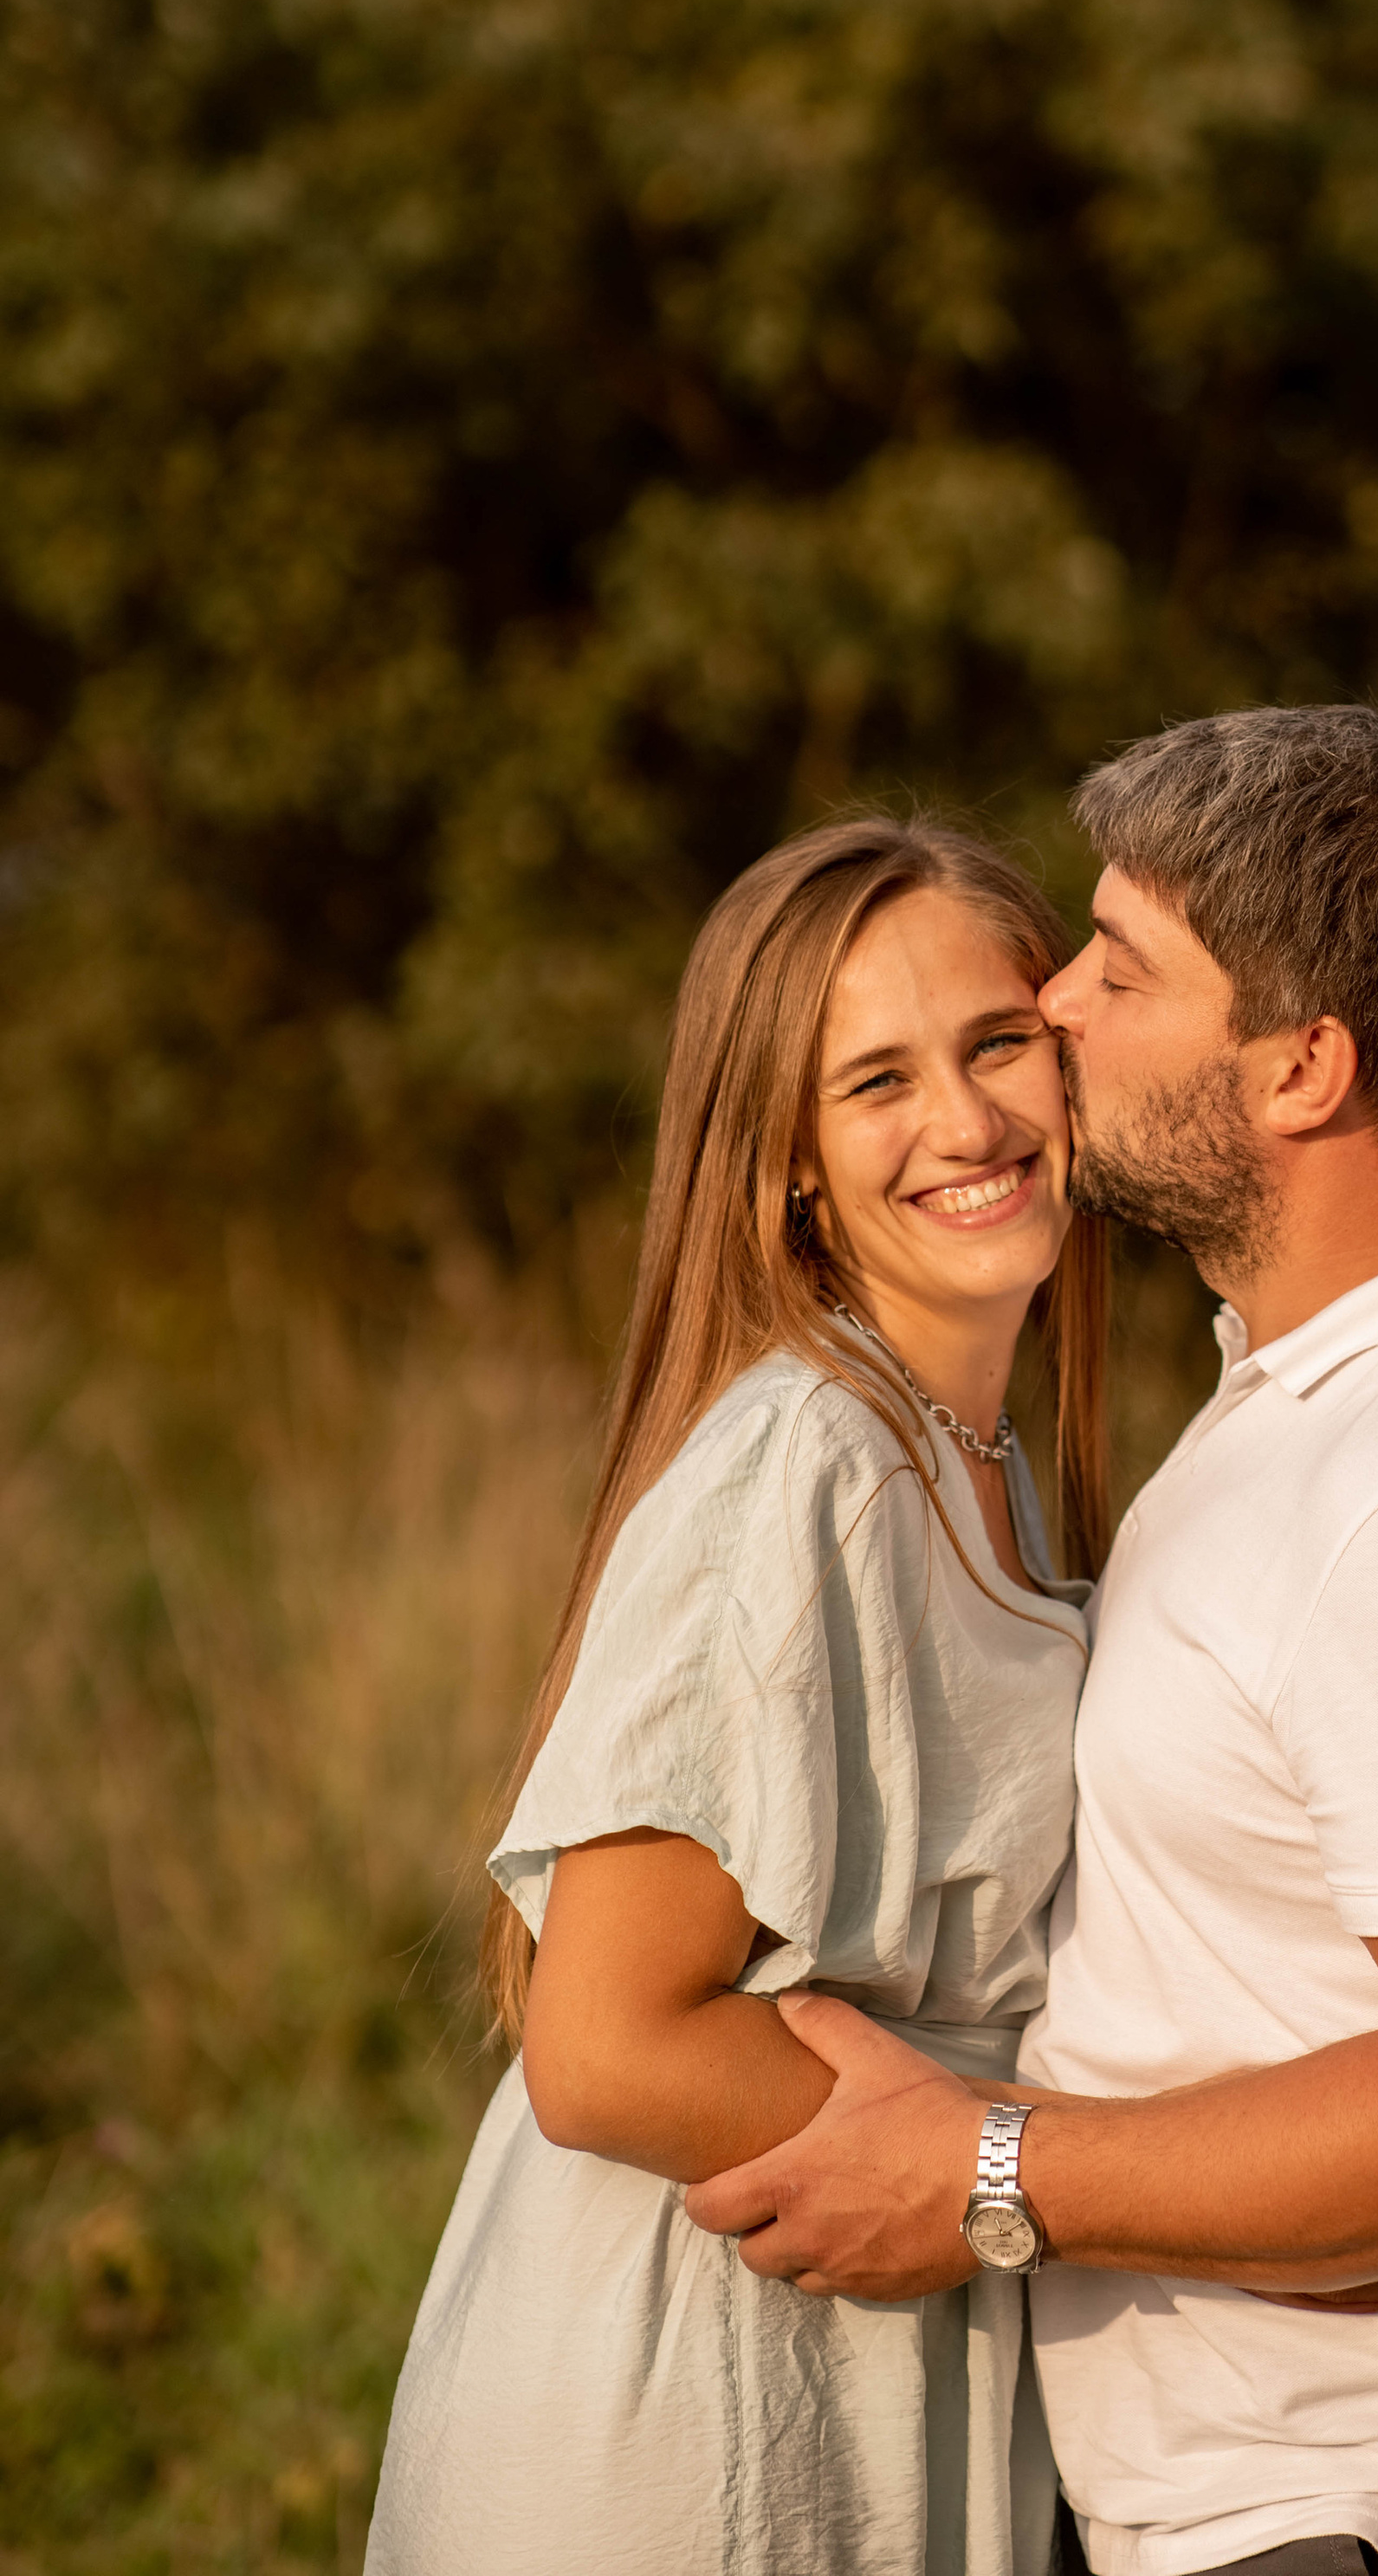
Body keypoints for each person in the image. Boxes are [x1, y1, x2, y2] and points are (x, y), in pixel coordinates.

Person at [688, 707, 1378, 2576]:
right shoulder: (1321, 1397)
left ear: (1301, 1070)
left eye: (1121, 968)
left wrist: (981, 2175)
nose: (1055, 1003)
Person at [367, 817, 1110, 2576]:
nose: (967, 1123)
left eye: (997, 1043)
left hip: (867, 2365)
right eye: (876, 1082)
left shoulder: (972, 1465)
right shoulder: (807, 1464)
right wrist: (1017, 2166)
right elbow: (604, 2044)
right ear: (783, 1160)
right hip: (691, 2421)